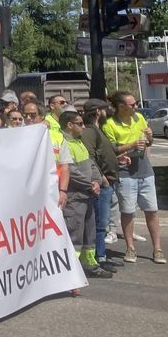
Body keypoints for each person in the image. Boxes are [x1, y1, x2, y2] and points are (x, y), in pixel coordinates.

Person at [102, 90, 163, 264]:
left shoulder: (139, 119)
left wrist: (150, 138)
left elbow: (148, 142)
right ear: (121, 106)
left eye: (135, 103)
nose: (136, 106)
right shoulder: (110, 124)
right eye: (132, 104)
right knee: (128, 211)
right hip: (125, 172)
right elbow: (111, 149)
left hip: (145, 170)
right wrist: (132, 144)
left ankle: (157, 249)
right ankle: (130, 247)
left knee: (152, 210)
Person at [57, 111, 113, 279]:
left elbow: (91, 164)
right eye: (80, 124)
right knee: (75, 233)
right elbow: (71, 172)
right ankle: (71, 271)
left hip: (88, 194)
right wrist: (90, 184)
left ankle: (89, 264)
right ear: (69, 125)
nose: (83, 127)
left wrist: (96, 181)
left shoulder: (78, 142)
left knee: (89, 232)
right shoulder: (63, 142)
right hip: (75, 197)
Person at [80, 99, 124, 270]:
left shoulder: (98, 129)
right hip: (102, 183)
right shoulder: (90, 131)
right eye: (106, 109)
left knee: (102, 223)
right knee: (99, 223)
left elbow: (101, 154)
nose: (109, 111)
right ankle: (99, 257)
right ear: (98, 111)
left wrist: (118, 159)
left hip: (108, 181)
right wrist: (101, 177)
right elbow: (89, 156)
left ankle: (102, 255)